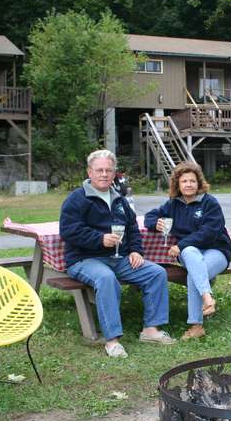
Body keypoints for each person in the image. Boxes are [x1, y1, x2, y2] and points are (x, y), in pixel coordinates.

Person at [60, 149, 175, 358]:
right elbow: (69, 231)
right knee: (106, 278)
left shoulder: (120, 200)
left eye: (108, 170)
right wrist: (99, 239)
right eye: (99, 170)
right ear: (89, 172)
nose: (104, 174)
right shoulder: (76, 199)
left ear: (114, 173)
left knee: (156, 272)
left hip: (119, 258)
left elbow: (132, 228)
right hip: (84, 259)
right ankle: (112, 341)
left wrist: (135, 251)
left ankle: (151, 330)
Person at [144, 162, 231, 340]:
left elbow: (209, 233)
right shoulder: (172, 205)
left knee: (194, 271)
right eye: (184, 181)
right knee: (191, 254)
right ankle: (207, 300)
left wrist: (180, 246)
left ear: (199, 183)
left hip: (216, 250)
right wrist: (156, 223)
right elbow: (149, 217)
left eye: (192, 181)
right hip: (189, 253)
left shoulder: (209, 203)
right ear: (178, 184)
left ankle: (197, 325)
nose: (188, 184)